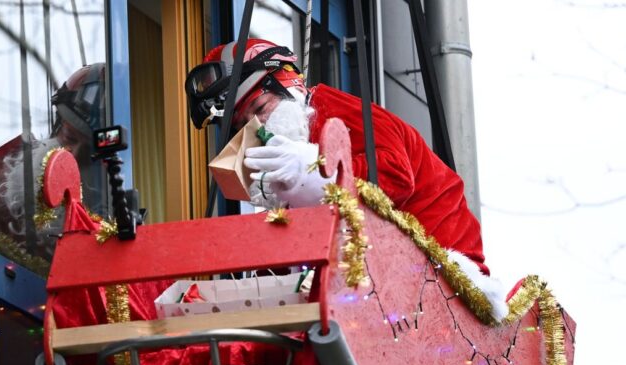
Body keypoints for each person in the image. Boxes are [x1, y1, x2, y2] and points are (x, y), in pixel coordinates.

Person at [186, 39, 507, 320]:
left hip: (443, 273)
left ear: (285, 83)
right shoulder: (295, 148)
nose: (261, 125)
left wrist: (317, 175)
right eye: (247, 122)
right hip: (386, 281)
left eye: (260, 107)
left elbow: (395, 175)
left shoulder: (330, 109)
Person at [0, 63, 107, 265]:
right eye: (70, 138)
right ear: (57, 126)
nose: (73, 155)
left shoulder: (106, 229)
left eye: (89, 151)